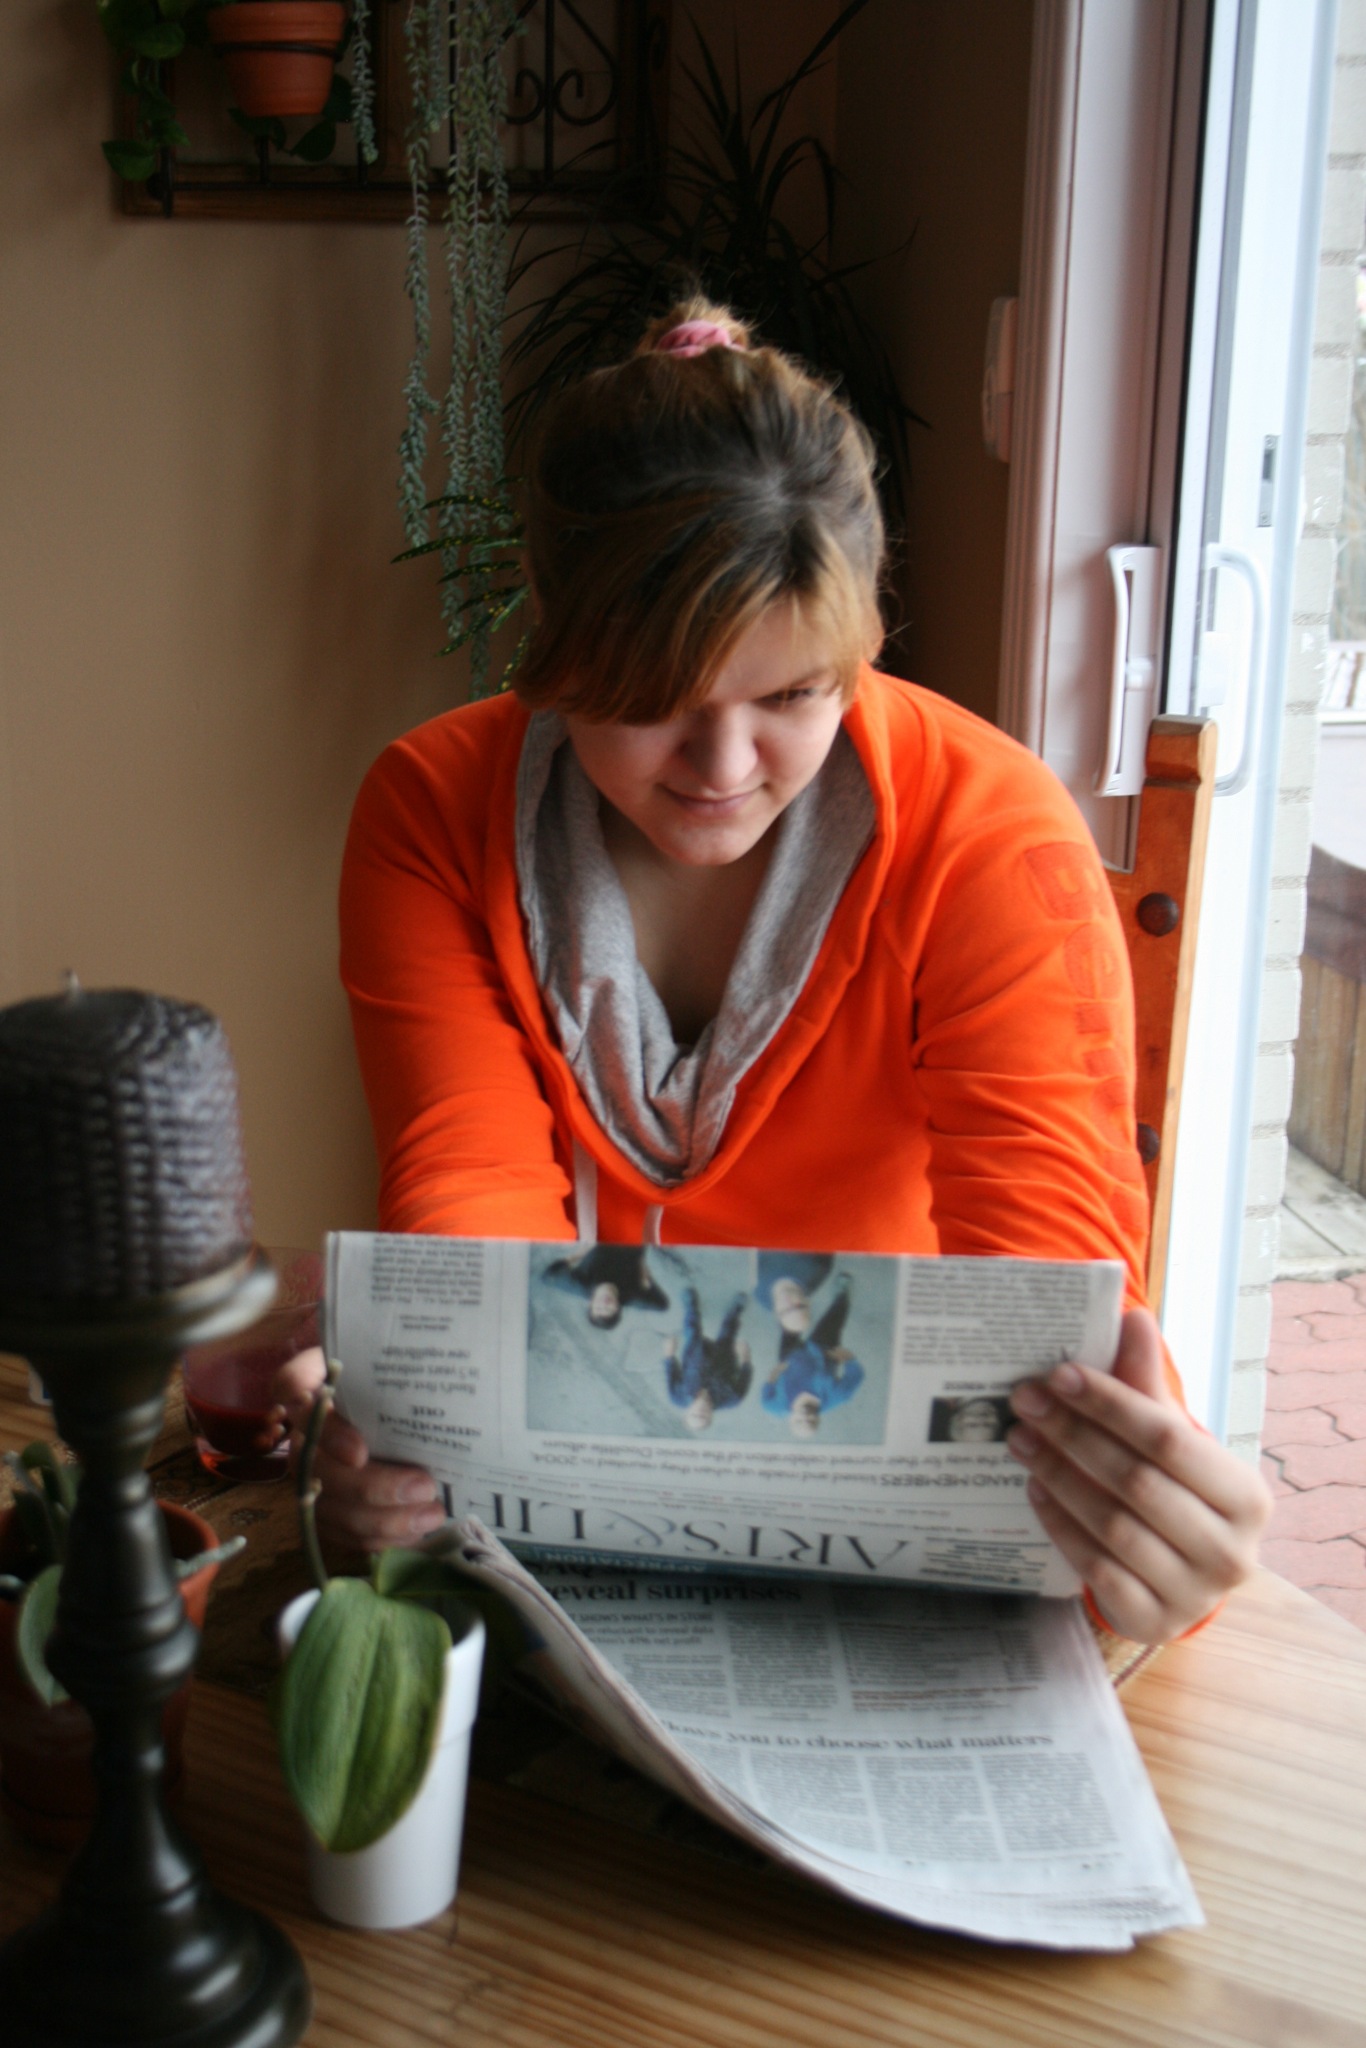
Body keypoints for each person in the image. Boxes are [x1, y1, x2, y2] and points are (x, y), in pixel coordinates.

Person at [284, 295, 1270, 1643]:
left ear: (860, 643)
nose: (724, 768)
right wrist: (411, 1437)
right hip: (566, 1536)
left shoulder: (990, 837)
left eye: (795, 694)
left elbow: (1046, 1307)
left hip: (893, 1534)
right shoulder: (432, 810)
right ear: (553, 634)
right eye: (651, 699)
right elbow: (472, 1221)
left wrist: (1150, 1531)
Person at [760, 1273, 864, 1436]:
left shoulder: (777, 1407)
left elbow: (766, 1399)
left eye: (799, 1421)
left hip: (789, 1356)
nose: (805, 1416)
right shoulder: (835, 1397)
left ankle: (789, 1285)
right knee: (834, 1318)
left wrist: (772, 1377)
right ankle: (842, 1295)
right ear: (818, 1419)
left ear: (791, 1419)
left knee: (790, 1319)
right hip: (823, 1349)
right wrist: (848, 1359)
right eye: (811, 1421)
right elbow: (856, 1376)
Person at [663, 1287, 752, 1432]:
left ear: (687, 1411)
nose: (700, 1412)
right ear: (711, 1417)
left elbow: (671, 1374)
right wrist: (745, 1357)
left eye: (694, 1415)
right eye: (703, 1417)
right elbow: (745, 1377)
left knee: (692, 1331)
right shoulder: (732, 1399)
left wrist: (669, 1353)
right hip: (724, 1357)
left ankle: (691, 1306)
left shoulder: (677, 1397)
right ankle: (735, 1311)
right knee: (728, 1333)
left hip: (694, 1357)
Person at [540, 1243, 669, 1329]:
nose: (604, 1304)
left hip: (602, 1235)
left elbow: (547, 1277)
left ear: (591, 1304)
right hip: (633, 1239)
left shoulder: (580, 1285)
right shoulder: (630, 1296)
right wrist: (646, 1278)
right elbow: (662, 1305)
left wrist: (576, 1256)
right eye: (609, 1309)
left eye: (598, 1308)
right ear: (618, 1308)